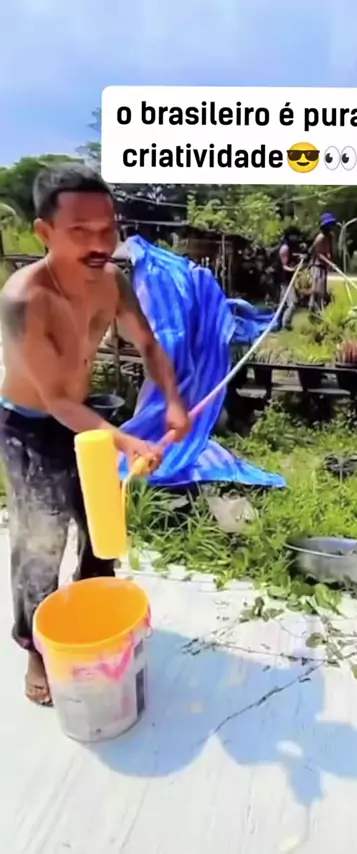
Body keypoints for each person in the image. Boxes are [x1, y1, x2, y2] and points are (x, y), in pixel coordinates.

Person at [0, 164, 191, 705]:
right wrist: (126, 441)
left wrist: (174, 401)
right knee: (40, 543)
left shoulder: (112, 281)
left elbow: (148, 344)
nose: (99, 244)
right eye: (80, 231)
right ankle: (36, 648)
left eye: (108, 230)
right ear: (45, 233)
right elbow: (54, 400)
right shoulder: (23, 300)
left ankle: (86, 619)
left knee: (103, 530)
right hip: (29, 427)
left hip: (82, 419)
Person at [310, 212, 337, 312]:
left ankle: (319, 309)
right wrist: (329, 263)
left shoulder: (331, 236)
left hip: (324, 266)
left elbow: (330, 251)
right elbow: (318, 254)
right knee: (317, 290)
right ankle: (313, 309)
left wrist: (331, 261)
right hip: (317, 266)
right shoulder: (320, 238)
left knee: (322, 290)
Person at [277, 233, 297, 330]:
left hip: (288, 280)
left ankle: (278, 323)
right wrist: (294, 269)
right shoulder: (285, 248)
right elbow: (284, 266)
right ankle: (286, 324)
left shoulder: (291, 247)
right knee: (293, 302)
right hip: (285, 280)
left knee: (283, 304)